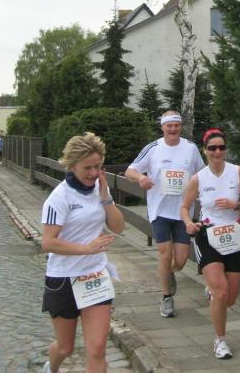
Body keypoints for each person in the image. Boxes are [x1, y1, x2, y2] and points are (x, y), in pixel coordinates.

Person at [40, 132, 125, 373]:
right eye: (87, 168)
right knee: (65, 348)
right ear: (72, 165)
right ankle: (50, 367)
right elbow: (48, 243)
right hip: (63, 278)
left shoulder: (100, 187)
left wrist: (106, 197)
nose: (93, 173)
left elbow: (118, 227)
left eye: (97, 167)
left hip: (94, 275)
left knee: (97, 348)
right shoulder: (59, 197)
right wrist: (85, 249)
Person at [179, 128, 240, 360]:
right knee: (221, 292)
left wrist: (235, 205)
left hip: (232, 235)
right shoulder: (198, 178)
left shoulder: (238, 172)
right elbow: (184, 207)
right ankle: (220, 340)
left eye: (221, 147)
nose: (218, 152)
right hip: (208, 235)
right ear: (205, 150)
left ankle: (212, 293)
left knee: (229, 299)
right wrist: (188, 224)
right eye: (212, 148)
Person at [124, 110, 205, 318]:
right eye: (169, 125)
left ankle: (169, 273)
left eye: (176, 125)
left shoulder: (191, 148)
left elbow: (202, 174)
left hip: (183, 212)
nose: (173, 129)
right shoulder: (153, 148)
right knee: (164, 253)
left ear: (181, 127)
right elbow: (130, 171)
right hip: (159, 210)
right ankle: (167, 297)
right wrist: (141, 178)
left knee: (181, 260)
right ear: (162, 127)